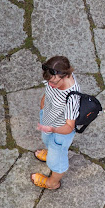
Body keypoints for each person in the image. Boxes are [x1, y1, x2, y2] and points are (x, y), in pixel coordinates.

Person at [31, 56, 80, 190]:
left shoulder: (72, 97)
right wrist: (43, 107)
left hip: (59, 132)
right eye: (49, 82)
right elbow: (50, 91)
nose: (51, 85)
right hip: (49, 122)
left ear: (66, 75)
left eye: (54, 83)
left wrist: (52, 129)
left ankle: (52, 183)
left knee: (58, 162)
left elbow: (69, 127)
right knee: (47, 141)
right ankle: (50, 153)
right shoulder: (56, 76)